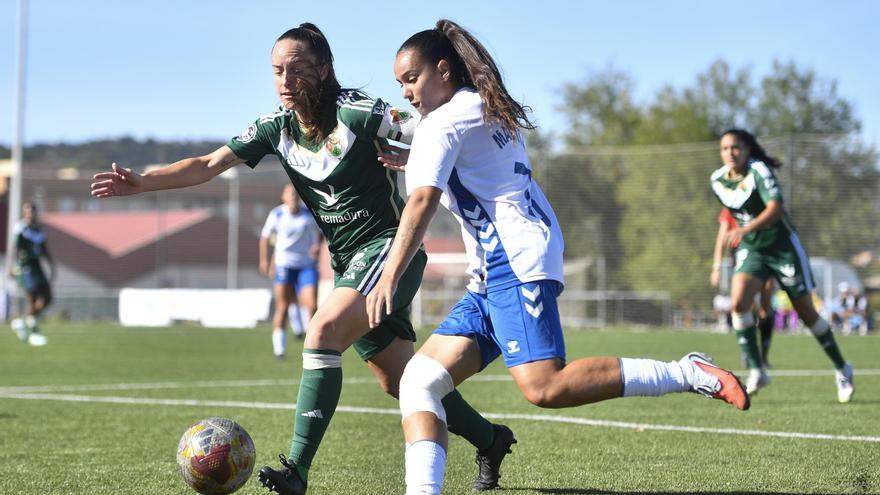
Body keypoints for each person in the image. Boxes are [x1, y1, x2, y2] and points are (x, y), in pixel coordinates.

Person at [90, 23, 511, 495]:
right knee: (403, 381)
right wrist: (144, 182)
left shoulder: (358, 113)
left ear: (325, 70)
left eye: (297, 68)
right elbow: (209, 165)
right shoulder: (277, 128)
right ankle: (491, 439)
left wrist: (429, 148)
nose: (286, 80)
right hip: (349, 262)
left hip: (391, 250)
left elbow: (433, 123)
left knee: (321, 330)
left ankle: (296, 470)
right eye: (277, 71)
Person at [366, 20, 749, 495]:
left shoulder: (442, 123)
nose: (405, 91)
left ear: (443, 70)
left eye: (411, 78)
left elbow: (421, 203)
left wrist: (388, 276)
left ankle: (687, 372)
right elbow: (475, 167)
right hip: (498, 268)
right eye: (400, 82)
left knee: (544, 387)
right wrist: (418, 158)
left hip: (515, 261)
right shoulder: (476, 104)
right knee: (418, 382)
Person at [710, 128, 854, 401]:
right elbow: (731, 213)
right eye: (725, 148)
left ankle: (842, 367)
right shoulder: (717, 180)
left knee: (807, 314)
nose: (730, 153)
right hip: (753, 251)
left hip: (783, 249)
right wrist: (718, 261)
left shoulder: (760, 171)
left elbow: (775, 209)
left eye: (736, 147)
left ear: (747, 149)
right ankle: (757, 370)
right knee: (738, 303)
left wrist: (745, 229)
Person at [260, 184, 323, 357]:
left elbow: (320, 232)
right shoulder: (277, 214)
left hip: (306, 266)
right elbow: (265, 237)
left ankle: (312, 348)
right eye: (290, 194)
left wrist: (317, 246)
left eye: (296, 194)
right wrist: (264, 260)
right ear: (284, 197)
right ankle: (279, 348)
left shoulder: (308, 214)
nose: (293, 197)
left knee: (311, 305)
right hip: (284, 265)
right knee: (283, 305)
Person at [711, 207, 776, 366]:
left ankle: (764, 355)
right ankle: (748, 351)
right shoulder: (731, 204)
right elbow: (722, 237)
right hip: (742, 254)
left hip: (766, 252)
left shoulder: (764, 201)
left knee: (765, 307)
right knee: (745, 304)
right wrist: (716, 267)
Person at [8, 202, 54, 346]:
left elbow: (44, 249)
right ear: (24, 213)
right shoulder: (21, 228)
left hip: (37, 267)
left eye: (32, 211)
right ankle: (33, 332)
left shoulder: (39, 229)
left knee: (47, 298)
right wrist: (12, 266)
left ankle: (23, 321)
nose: (30, 214)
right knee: (32, 298)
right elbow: (15, 248)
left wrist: (52, 265)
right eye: (27, 211)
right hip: (25, 267)